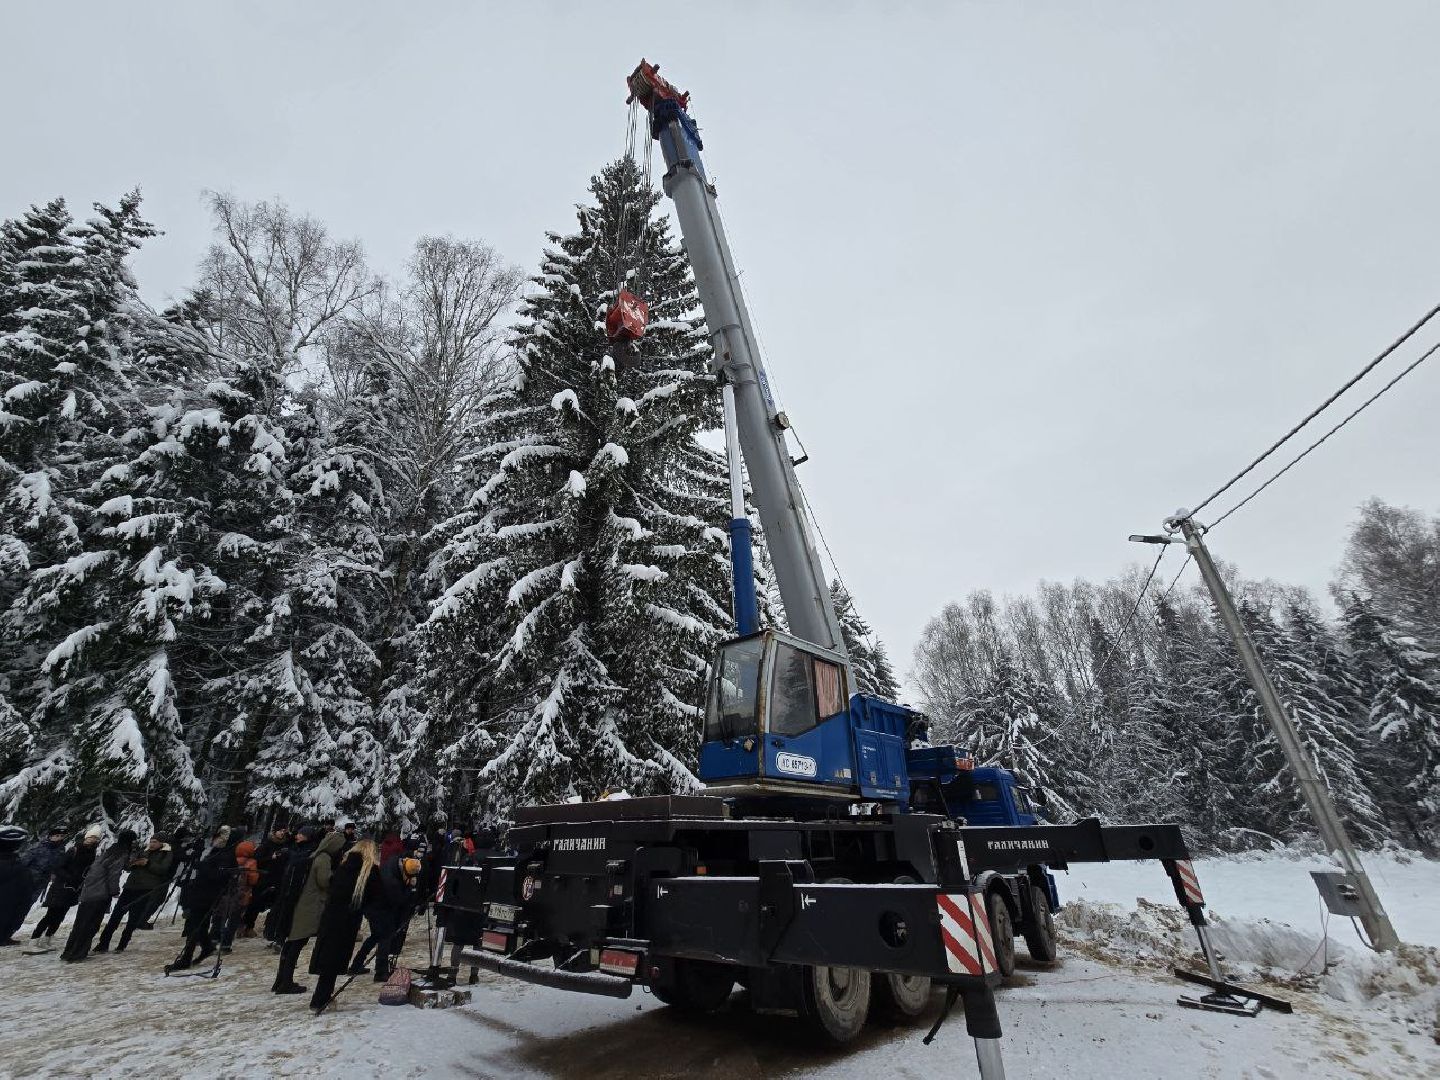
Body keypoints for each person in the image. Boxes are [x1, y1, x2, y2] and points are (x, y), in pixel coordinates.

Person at [308, 839, 380, 1011]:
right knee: (333, 960)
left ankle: (321, 997)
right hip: (348, 921)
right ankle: (320, 1000)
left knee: (328, 961)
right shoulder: (369, 871)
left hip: (331, 918)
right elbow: (376, 896)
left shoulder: (344, 866)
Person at [272, 828, 343, 994]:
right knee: (296, 944)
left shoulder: (314, 854)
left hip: (300, 904)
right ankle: (286, 981)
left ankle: (280, 979)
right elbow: (324, 881)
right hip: (309, 906)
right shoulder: (324, 858)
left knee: (291, 944)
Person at [165, 826, 234, 972]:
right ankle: (207, 947)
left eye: (221, 838)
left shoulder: (227, 855)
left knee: (194, 925)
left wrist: (202, 867)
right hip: (200, 891)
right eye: (217, 837)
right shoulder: (214, 851)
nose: (216, 840)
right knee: (198, 925)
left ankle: (186, 959)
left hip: (209, 894)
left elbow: (219, 875)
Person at [61, 829, 136, 962]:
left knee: (80, 923)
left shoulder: (110, 851)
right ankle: (78, 954)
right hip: (100, 893)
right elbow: (114, 874)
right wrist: (114, 891)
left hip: (89, 891)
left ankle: (69, 952)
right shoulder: (121, 854)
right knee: (90, 924)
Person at [96, 833, 173, 953]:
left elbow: (163, 870)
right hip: (130, 887)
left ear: (161, 843)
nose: (152, 844)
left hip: (145, 890)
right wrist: (133, 862)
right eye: (151, 841)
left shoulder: (166, 854)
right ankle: (103, 943)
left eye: (155, 842)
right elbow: (127, 867)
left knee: (133, 919)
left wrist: (147, 863)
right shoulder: (143, 851)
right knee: (116, 916)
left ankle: (122, 945)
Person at [350, 850, 420, 982]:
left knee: (375, 936)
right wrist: (410, 888)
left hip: (374, 907)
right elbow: (399, 900)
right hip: (380, 910)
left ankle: (356, 965)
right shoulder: (392, 881)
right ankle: (381, 972)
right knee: (385, 939)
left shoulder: (392, 864)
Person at [29, 825, 100, 948]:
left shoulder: (92, 852)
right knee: (51, 914)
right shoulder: (74, 850)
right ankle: (34, 939)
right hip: (61, 887)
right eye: (91, 837)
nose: (93, 840)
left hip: (74, 889)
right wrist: (70, 878)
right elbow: (58, 867)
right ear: (86, 837)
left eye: (96, 838)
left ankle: (48, 938)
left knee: (61, 916)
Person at [8, 825, 68, 942]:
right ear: (50, 836)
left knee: (24, 910)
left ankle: (9, 933)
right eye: (56, 836)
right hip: (26, 883)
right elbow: (23, 863)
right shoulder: (39, 847)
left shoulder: (61, 850)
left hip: (40, 885)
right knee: (13, 907)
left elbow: (57, 866)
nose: (59, 838)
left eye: (61, 836)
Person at [266, 824, 317, 948]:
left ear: (307, 837)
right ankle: (275, 935)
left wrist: (289, 853)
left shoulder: (310, 851)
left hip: (297, 887)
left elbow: (300, 861)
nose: (297, 836)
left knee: (288, 914)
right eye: (298, 833)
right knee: (279, 911)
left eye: (301, 834)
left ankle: (281, 938)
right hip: (286, 885)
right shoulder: (295, 847)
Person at [243, 827, 289, 937]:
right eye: (280, 830)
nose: (282, 833)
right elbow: (257, 860)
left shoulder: (285, 845)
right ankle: (248, 926)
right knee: (256, 903)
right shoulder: (266, 845)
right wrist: (271, 857)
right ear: (274, 832)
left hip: (278, 878)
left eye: (284, 831)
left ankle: (270, 927)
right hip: (264, 878)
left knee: (275, 903)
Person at [216, 839, 259, 951]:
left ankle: (215, 937)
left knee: (222, 916)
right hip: (242, 895)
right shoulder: (251, 862)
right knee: (234, 919)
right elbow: (253, 879)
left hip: (227, 893)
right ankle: (226, 944)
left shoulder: (232, 859)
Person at [0, 825, 29, 946]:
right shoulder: (14, 862)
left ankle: (4, 936)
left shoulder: (15, 860)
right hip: (8, 891)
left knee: (10, 914)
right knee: (7, 914)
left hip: (12, 892)